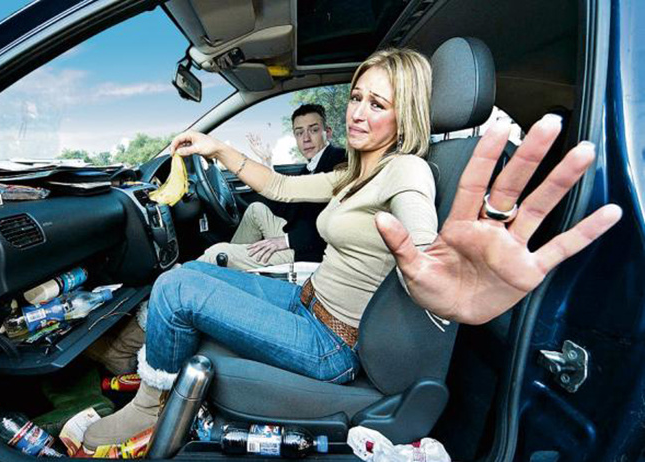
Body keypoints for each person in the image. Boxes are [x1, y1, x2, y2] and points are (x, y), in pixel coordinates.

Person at [82, 47, 622, 449]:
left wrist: (439, 276)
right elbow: (281, 187)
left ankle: (150, 406)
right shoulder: (362, 170)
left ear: (406, 114)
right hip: (305, 301)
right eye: (357, 97)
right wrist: (217, 148)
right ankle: (155, 380)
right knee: (194, 274)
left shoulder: (407, 172)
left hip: (331, 343)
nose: (358, 113)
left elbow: (422, 243)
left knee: (176, 287)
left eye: (377, 104)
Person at [199, 104, 346, 269]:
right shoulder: (310, 167)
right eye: (299, 132)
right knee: (255, 210)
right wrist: (267, 162)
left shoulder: (340, 161)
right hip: (298, 233)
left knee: (217, 254)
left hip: (311, 251)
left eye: (313, 130)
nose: (306, 138)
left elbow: (335, 224)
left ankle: (191, 272)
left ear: (328, 132)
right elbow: (289, 207)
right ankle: (230, 267)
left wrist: (286, 241)